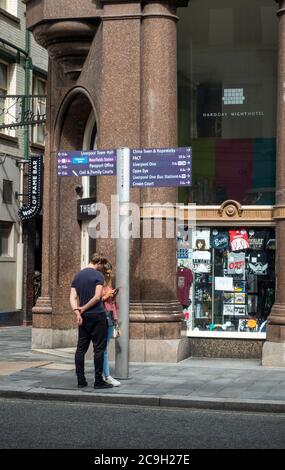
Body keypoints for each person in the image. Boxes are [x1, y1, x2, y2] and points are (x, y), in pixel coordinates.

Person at [70, 253, 113, 389]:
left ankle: (81, 380)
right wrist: (83, 308)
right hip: (97, 316)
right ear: (99, 263)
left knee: (81, 349)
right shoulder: (98, 276)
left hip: (83, 318)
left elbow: (72, 298)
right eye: (102, 266)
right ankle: (98, 381)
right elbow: (97, 297)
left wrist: (78, 312)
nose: (102, 269)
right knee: (99, 349)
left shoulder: (77, 275)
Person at [102, 262, 121, 387]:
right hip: (103, 316)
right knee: (103, 348)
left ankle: (104, 374)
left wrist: (113, 295)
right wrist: (107, 296)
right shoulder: (99, 284)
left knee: (104, 346)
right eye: (107, 273)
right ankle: (106, 375)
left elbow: (110, 301)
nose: (109, 275)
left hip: (110, 316)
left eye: (110, 273)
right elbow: (98, 299)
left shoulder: (108, 283)